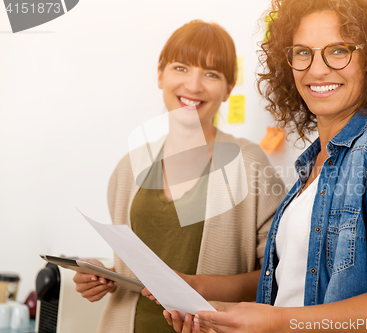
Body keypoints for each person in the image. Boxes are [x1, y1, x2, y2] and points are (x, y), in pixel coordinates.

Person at [154, 0, 367, 332]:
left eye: (339, 50)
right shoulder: (313, 165)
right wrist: (217, 308)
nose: (317, 69)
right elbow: (293, 291)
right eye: (303, 52)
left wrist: (277, 322)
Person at [73, 20, 285, 333]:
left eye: (211, 74)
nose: (194, 85)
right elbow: (135, 266)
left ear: (228, 89)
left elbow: (276, 278)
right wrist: (103, 276)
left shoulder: (250, 164)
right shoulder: (128, 168)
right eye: (181, 68)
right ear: (160, 74)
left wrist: (195, 286)